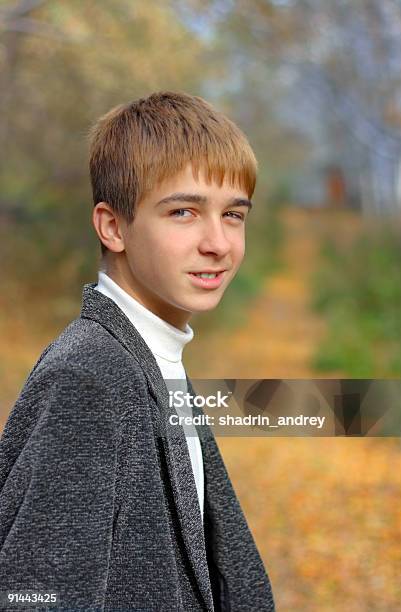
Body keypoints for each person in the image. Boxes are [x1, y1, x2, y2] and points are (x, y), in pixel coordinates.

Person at [0, 92, 275, 611]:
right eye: (184, 212)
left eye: (233, 215)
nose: (218, 242)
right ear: (112, 226)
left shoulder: (152, 361)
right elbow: (32, 596)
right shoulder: (89, 377)